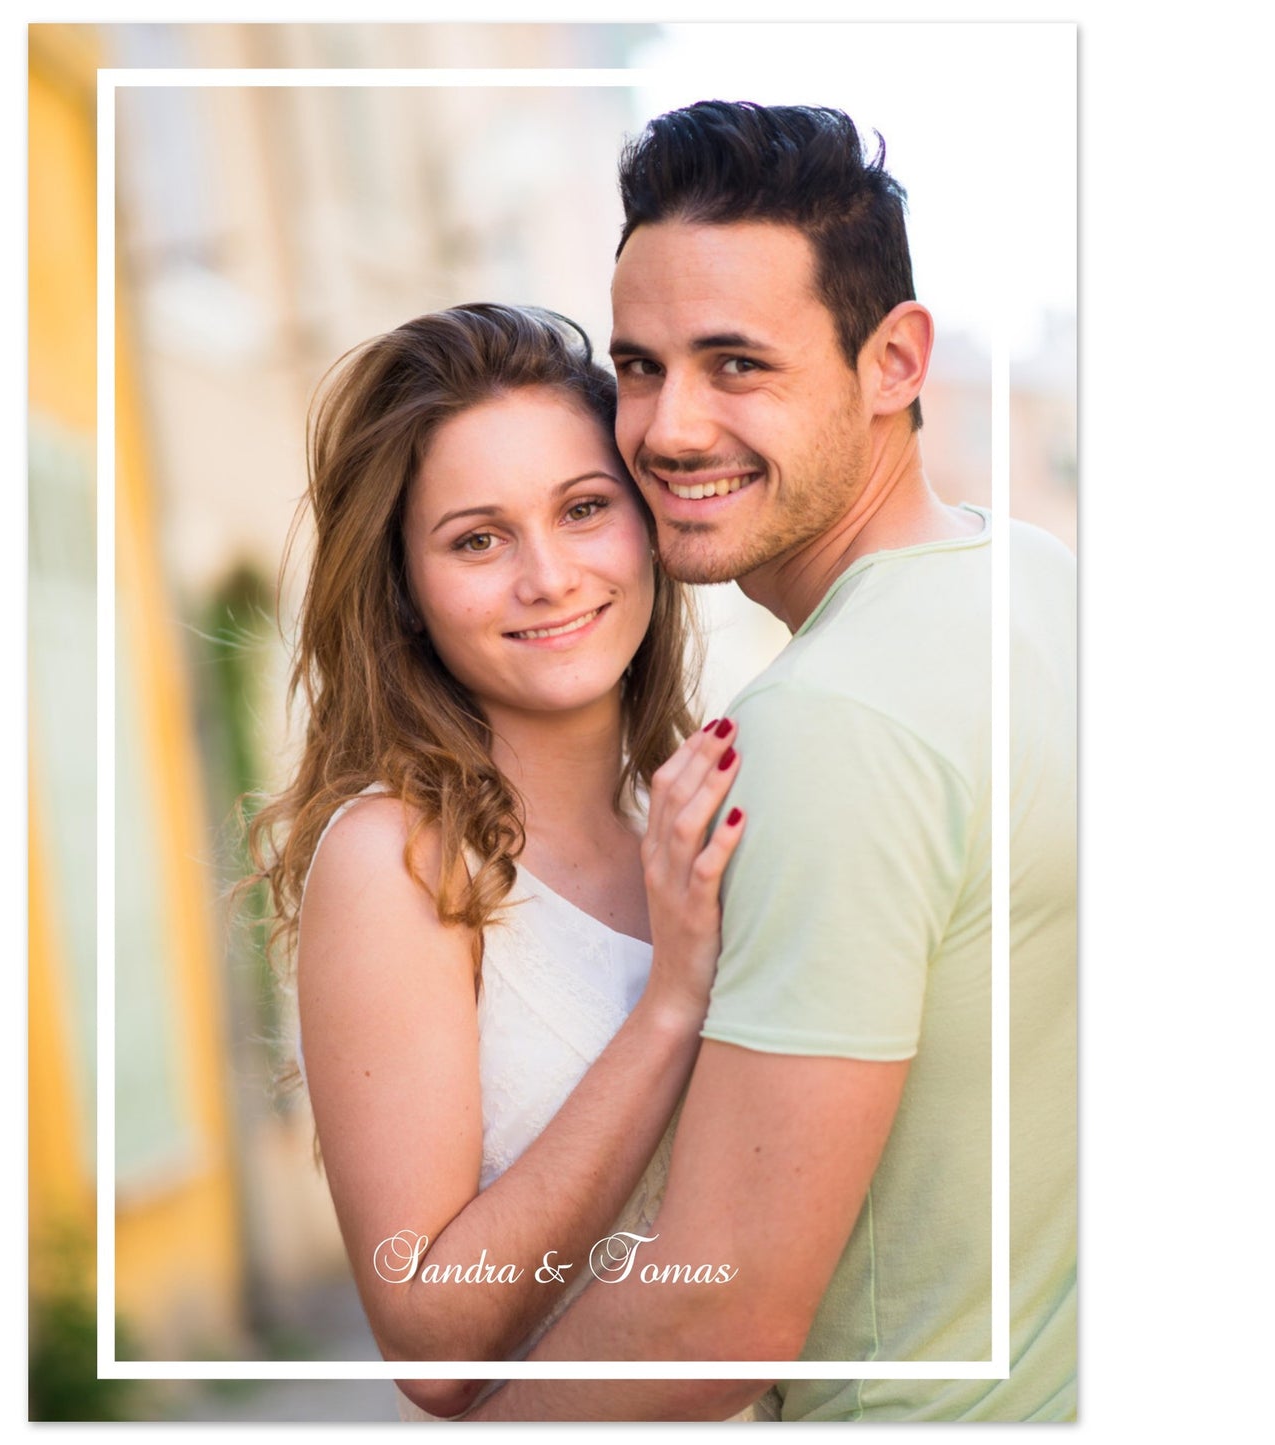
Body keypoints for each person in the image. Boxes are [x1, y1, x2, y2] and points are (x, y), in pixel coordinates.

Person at [464, 102, 1077, 1422]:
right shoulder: (1041, 583)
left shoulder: (828, 722)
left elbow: (718, 1310)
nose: (667, 429)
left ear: (894, 359)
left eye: (736, 364)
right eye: (640, 366)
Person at [246, 302, 779, 1420]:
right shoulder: (396, 860)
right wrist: (669, 1002)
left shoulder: (689, 823)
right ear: (404, 587)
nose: (547, 576)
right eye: (476, 538)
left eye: (584, 509)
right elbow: (432, 1337)